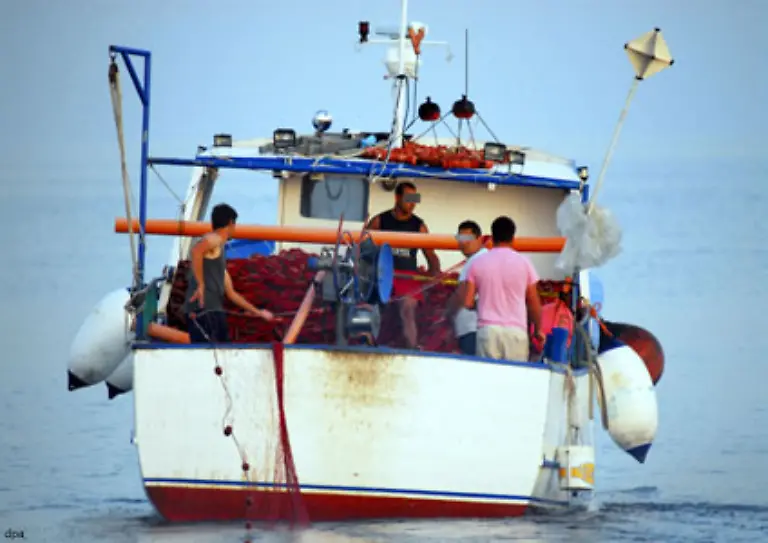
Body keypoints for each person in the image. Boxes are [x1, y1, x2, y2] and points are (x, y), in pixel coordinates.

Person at [184, 203, 274, 343]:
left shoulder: (217, 256)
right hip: (204, 312)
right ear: (231, 223)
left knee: (223, 347)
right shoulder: (215, 238)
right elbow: (196, 251)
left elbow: (231, 294)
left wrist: (258, 312)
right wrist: (201, 284)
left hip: (213, 312)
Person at [366, 181, 440, 349]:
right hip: (383, 276)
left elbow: (431, 256)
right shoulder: (379, 221)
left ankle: (412, 349)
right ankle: (369, 346)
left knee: (407, 307)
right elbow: (364, 251)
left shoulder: (419, 226)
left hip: (408, 279)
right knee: (370, 307)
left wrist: (435, 274)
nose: (412, 204)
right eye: (409, 199)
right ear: (397, 197)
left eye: (415, 200)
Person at [464, 215, 545, 361]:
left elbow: (468, 302)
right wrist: (538, 329)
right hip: (516, 332)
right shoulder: (524, 263)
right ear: (513, 238)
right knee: (514, 376)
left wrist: (483, 303)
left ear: (492, 237)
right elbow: (533, 302)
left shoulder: (477, 263)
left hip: (488, 332)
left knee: (487, 375)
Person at [445, 220, 487, 355]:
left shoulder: (475, 260)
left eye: (468, 238)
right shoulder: (482, 258)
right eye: (460, 239)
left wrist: (447, 313)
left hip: (472, 328)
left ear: (479, 239)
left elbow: (461, 295)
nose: (464, 243)